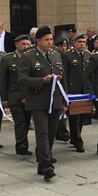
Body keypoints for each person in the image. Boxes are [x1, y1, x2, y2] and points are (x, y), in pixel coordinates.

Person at [19, 25, 67, 180]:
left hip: (55, 101)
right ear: (37, 40)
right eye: (46, 40)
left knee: (51, 133)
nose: (49, 42)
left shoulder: (56, 55)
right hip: (38, 101)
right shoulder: (28, 57)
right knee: (42, 133)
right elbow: (23, 79)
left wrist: (65, 101)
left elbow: (62, 79)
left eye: (51, 39)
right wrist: (42, 80)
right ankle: (47, 167)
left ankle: (42, 162)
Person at [0, 34, 33, 156]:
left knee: (27, 120)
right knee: (20, 122)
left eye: (28, 44)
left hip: (29, 96)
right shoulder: (7, 59)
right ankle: (21, 146)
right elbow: (3, 80)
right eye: (23, 44)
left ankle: (23, 143)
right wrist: (4, 98)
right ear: (16, 45)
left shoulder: (31, 58)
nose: (26, 47)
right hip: (14, 96)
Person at [62, 33, 90, 153]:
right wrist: (65, 91)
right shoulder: (67, 56)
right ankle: (77, 140)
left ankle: (75, 137)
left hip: (85, 91)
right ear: (74, 43)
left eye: (84, 42)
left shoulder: (88, 55)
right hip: (73, 91)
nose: (82, 44)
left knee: (82, 116)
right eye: (79, 42)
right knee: (74, 117)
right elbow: (65, 75)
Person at [53, 37, 71, 142]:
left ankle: (62, 131)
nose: (63, 48)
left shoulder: (66, 56)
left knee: (63, 109)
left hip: (64, 86)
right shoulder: (55, 56)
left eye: (65, 46)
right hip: (55, 86)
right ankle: (59, 131)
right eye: (61, 46)